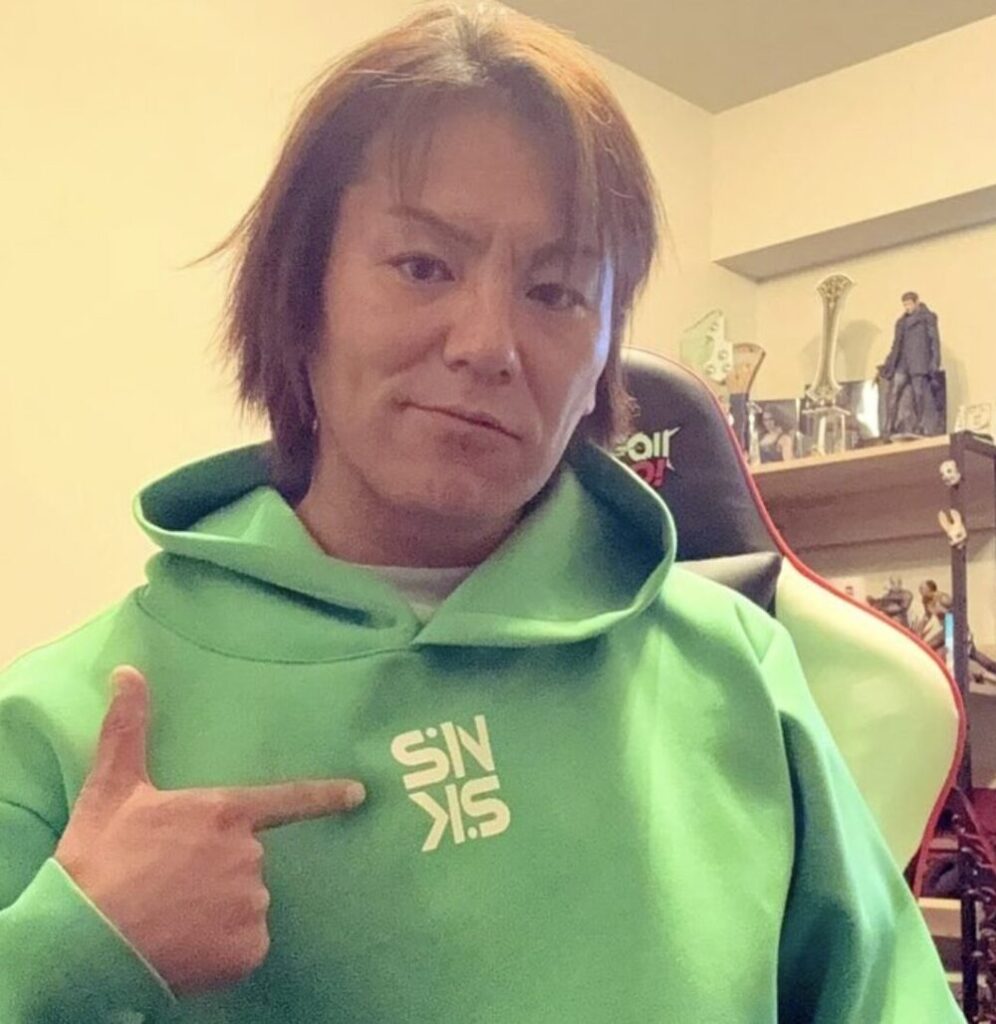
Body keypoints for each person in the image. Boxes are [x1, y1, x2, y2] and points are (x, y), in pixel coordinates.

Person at [0, 3, 962, 1022]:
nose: (488, 343)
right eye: (423, 266)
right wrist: (68, 955)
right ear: (300, 292)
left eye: (556, 292)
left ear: (603, 355)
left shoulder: (737, 672)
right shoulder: (66, 726)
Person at [879, 291, 942, 437]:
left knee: (918, 393)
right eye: (905, 305)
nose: (907, 307)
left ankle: (920, 424)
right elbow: (896, 345)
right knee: (894, 391)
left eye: (909, 304)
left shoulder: (927, 318)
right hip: (903, 362)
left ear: (916, 302)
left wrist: (935, 362)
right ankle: (889, 425)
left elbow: (934, 341)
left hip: (919, 362)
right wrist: (889, 362)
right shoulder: (901, 322)